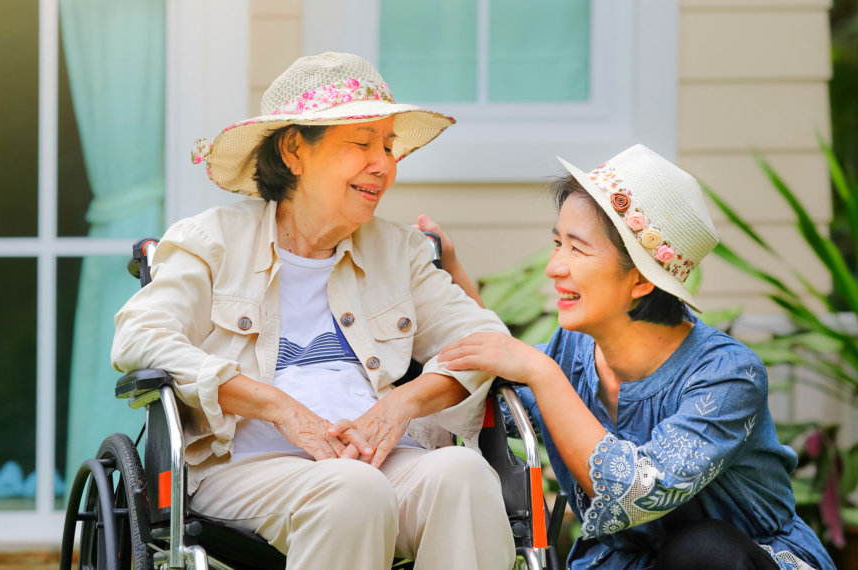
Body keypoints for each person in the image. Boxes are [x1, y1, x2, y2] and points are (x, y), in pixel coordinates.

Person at [111, 52, 515, 570]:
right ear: (295, 151)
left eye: (389, 146)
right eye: (362, 143)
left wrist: (401, 405)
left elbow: (485, 340)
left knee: (464, 476)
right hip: (248, 467)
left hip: (381, 460)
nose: (384, 164)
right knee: (353, 490)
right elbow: (139, 338)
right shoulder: (210, 241)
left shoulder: (400, 252)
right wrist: (278, 407)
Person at [436, 144, 834, 569]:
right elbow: (504, 393)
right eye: (557, 243)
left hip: (737, 561)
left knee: (703, 550)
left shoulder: (728, 375)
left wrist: (543, 373)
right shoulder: (573, 350)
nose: (554, 267)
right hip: (628, 562)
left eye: (577, 249)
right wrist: (452, 279)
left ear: (641, 280)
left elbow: (639, 492)